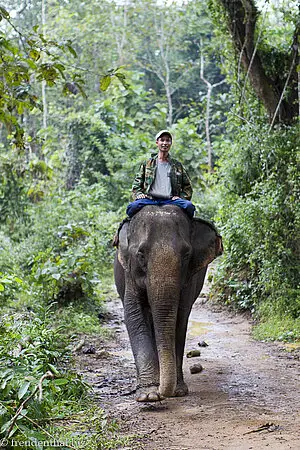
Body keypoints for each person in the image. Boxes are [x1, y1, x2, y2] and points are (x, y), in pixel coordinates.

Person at [126, 130, 195, 219]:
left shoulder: (177, 165)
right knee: (131, 207)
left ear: (171, 143)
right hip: (150, 199)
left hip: (170, 200)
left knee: (189, 206)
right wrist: (139, 193)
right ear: (157, 142)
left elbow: (187, 187)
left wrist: (181, 197)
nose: (165, 143)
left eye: (168, 140)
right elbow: (136, 184)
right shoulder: (147, 163)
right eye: (162, 140)